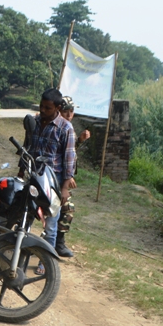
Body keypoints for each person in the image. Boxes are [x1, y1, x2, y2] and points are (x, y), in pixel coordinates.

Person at [19, 88, 76, 272]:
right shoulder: (34, 122)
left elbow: (69, 161)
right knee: (24, 220)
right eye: (41, 106)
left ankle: (45, 263)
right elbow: (26, 147)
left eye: (47, 108)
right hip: (32, 176)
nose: (42, 111)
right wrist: (20, 174)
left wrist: (65, 188)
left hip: (53, 182)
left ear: (57, 108)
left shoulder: (66, 129)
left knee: (50, 226)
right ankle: (17, 255)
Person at [55, 96, 91, 257]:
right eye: (65, 111)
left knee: (64, 210)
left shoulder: (68, 127)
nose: (69, 115)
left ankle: (57, 242)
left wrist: (80, 141)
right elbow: (57, 156)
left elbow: (69, 150)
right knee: (64, 209)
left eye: (71, 111)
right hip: (54, 177)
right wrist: (67, 178)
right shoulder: (56, 127)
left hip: (61, 178)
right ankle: (54, 245)